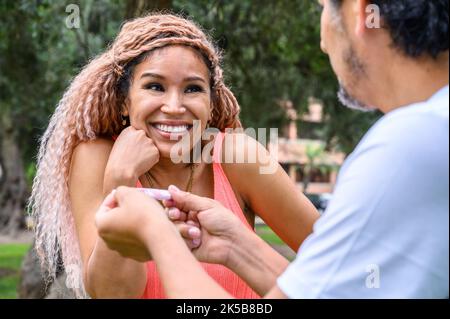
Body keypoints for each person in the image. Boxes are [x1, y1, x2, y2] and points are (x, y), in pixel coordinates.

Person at [95, 0, 449, 298]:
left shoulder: (410, 147)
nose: (324, 41)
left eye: (323, 7)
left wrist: (156, 233)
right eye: (155, 86)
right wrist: (235, 246)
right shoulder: (427, 134)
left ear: (359, 12)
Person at [29, 13, 319, 298]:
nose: (174, 106)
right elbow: (113, 293)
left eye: (193, 89)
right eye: (155, 86)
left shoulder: (237, 156)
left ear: (210, 103)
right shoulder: (97, 157)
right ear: (124, 102)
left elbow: (338, 257)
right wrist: (120, 182)